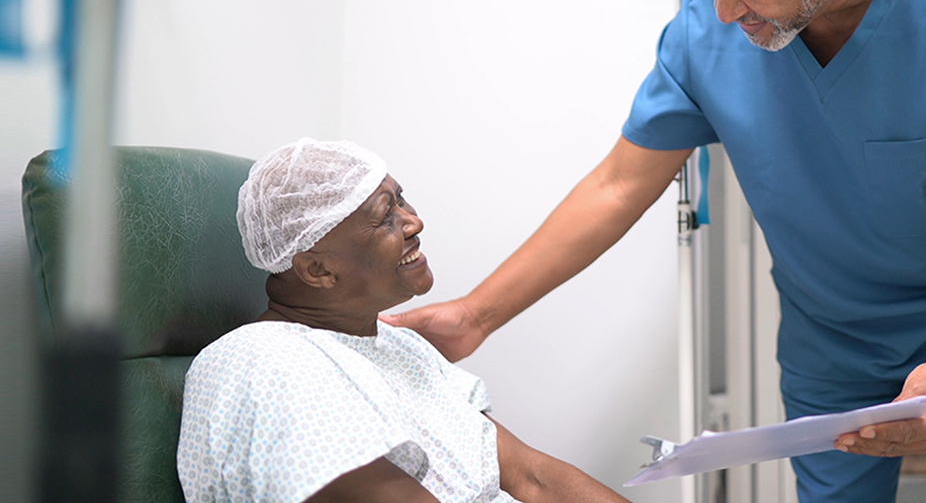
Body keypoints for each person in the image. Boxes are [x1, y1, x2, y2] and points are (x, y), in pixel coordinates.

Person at [383, 0, 926, 501]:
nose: (724, 11)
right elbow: (618, 185)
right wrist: (477, 315)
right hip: (830, 338)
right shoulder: (703, 33)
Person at [176, 138, 629, 503]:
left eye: (401, 200)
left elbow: (533, 478)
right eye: (384, 217)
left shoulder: (400, 347)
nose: (414, 222)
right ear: (317, 269)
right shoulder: (263, 362)